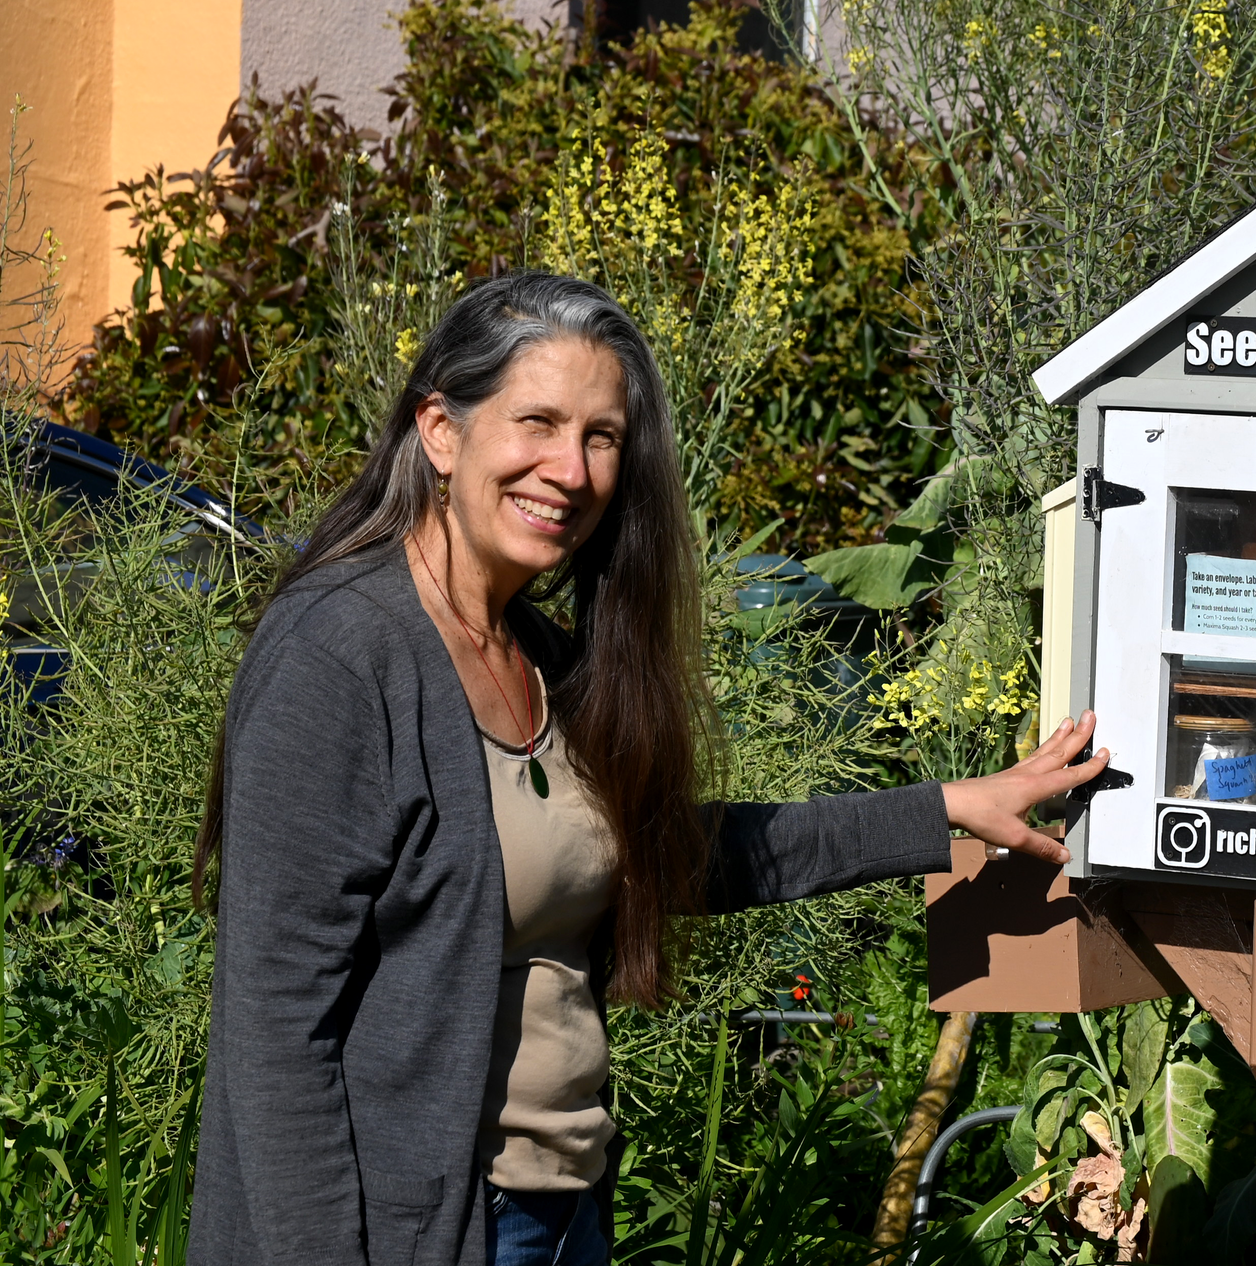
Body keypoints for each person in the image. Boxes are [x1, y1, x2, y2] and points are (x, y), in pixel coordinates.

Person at [186, 273, 1109, 1266]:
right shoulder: (341, 657)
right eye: (535, 421)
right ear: (441, 432)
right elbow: (279, 1033)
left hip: (557, 1212)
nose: (570, 470)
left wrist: (949, 807)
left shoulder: (534, 654)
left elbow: (671, 855)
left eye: (601, 437)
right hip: (411, 1232)